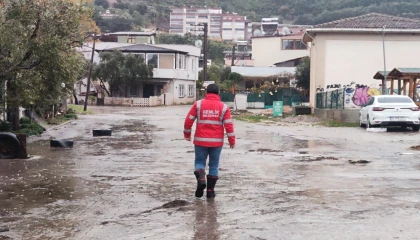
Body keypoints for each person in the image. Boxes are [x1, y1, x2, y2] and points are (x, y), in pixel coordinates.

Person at [184, 83, 235, 198]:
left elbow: (188, 120)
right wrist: (232, 140)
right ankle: (210, 191)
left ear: (206, 92)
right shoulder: (224, 107)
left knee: (199, 163)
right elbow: (229, 126)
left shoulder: (198, 104)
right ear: (218, 93)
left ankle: (201, 178)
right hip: (216, 142)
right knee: (214, 165)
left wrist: (187, 134)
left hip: (200, 141)